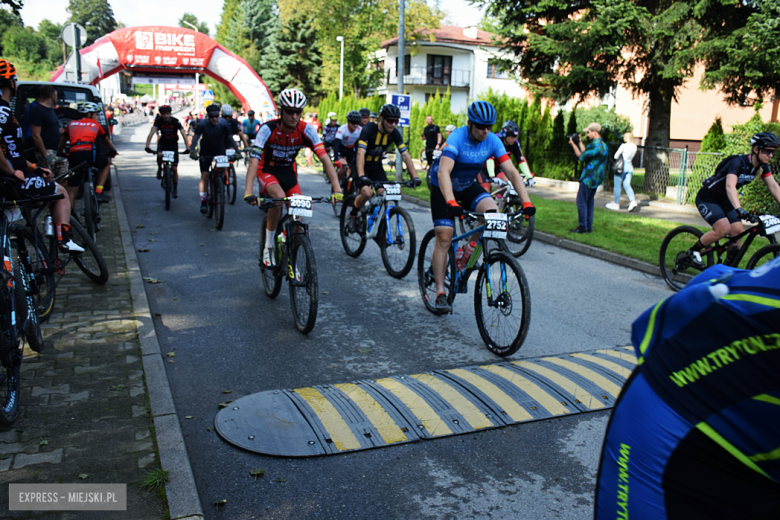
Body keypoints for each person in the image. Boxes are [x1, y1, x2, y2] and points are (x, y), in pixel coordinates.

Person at [428, 100, 535, 313]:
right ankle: (440, 292)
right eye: (480, 126)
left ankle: (467, 251)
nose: (485, 131)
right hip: (443, 185)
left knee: (492, 214)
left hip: (467, 184)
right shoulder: (457, 137)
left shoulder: (493, 140)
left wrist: (526, 202)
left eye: (489, 127)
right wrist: (451, 202)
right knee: (445, 236)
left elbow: (512, 172)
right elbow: (444, 173)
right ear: (469, 123)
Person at [243, 88, 342, 267]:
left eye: (298, 112)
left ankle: (291, 256)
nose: (294, 116)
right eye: (290, 111)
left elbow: (326, 160)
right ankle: (269, 246)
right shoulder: (267, 129)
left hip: (289, 173)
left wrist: (337, 189)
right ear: (281, 111)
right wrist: (249, 191)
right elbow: (253, 161)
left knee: (298, 218)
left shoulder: (306, 130)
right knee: (279, 200)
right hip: (268, 171)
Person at [0, 59, 82, 254]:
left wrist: (33, 167)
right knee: (60, 192)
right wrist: (11, 172)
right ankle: (64, 240)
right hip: (10, 181)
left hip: (15, 174)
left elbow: (12, 152)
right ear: (12, 83)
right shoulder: (3, 111)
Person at [687, 131, 780, 267]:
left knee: (737, 232)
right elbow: (730, 186)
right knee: (723, 229)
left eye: (773, 152)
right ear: (756, 149)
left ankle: (727, 270)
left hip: (725, 199)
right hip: (708, 197)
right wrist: (739, 209)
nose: (770, 155)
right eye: (767, 151)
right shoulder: (739, 162)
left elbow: (774, 187)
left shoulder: (762, 167)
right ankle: (693, 251)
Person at [346, 103, 421, 233]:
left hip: (376, 166)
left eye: (396, 121)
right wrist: (362, 176)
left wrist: (415, 176)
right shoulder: (369, 128)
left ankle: (378, 227)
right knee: (367, 192)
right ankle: (353, 215)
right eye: (390, 121)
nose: (393, 124)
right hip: (361, 165)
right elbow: (360, 153)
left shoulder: (394, 133)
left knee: (386, 193)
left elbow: (405, 154)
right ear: (382, 119)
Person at [58, 101, 117, 205]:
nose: (97, 117)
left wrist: (60, 152)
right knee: (106, 163)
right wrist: (113, 151)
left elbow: (63, 141)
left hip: (74, 155)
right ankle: (98, 191)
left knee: (72, 188)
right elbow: (106, 140)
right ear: (89, 114)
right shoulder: (95, 124)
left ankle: (71, 215)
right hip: (90, 154)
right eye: (96, 114)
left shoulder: (71, 124)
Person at [189, 103, 239, 214]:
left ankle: (219, 186)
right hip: (206, 151)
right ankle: (203, 201)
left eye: (216, 116)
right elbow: (196, 137)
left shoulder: (224, 124)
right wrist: (192, 150)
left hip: (219, 150)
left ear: (219, 115)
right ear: (208, 116)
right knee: (205, 176)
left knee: (221, 172)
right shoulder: (203, 124)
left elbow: (230, 138)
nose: (214, 119)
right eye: (211, 116)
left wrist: (238, 151)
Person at [568, 122, 608, 234]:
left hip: (588, 177)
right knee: (589, 202)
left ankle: (582, 228)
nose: (588, 134)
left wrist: (573, 144)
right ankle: (588, 226)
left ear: (594, 132)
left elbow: (581, 156)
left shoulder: (594, 145)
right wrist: (579, 141)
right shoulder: (603, 146)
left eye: (589, 132)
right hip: (597, 178)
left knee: (581, 201)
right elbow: (587, 153)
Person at [475, 120, 535, 191]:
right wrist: (492, 176)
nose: (514, 139)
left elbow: (521, 160)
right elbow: (490, 159)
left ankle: (498, 200)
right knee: (486, 193)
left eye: (515, 136)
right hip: (482, 167)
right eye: (512, 137)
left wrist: (529, 176)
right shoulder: (496, 140)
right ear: (505, 134)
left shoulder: (514, 144)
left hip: (497, 166)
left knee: (508, 183)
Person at [144, 105, 189, 199]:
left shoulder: (175, 121)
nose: (165, 116)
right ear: (161, 114)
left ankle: (175, 187)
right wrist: (147, 146)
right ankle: (160, 168)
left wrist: (187, 147)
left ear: (170, 113)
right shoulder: (158, 121)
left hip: (173, 145)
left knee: (174, 169)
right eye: (164, 114)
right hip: (163, 143)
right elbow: (151, 133)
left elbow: (184, 134)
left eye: (167, 114)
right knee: (159, 155)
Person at [27, 85, 67, 179]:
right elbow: (36, 134)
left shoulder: (50, 110)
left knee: (64, 178)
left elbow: (50, 128)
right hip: (47, 150)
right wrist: (44, 154)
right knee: (49, 179)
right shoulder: (37, 110)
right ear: (52, 95)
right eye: (56, 95)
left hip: (56, 151)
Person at [606, 131, 638, 212]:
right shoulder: (635, 147)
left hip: (622, 167)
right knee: (627, 185)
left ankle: (616, 203)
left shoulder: (624, 146)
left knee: (617, 185)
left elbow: (616, 155)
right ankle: (633, 201)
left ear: (627, 138)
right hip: (630, 166)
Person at [332, 110, 362, 182]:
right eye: (353, 123)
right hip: (341, 149)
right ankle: (336, 184)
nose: (355, 125)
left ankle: (348, 185)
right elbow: (336, 145)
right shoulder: (342, 129)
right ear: (348, 121)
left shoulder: (360, 130)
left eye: (357, 123)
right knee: (344, 168)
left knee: (354, 168)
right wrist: (336, 159)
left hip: (351, 150)